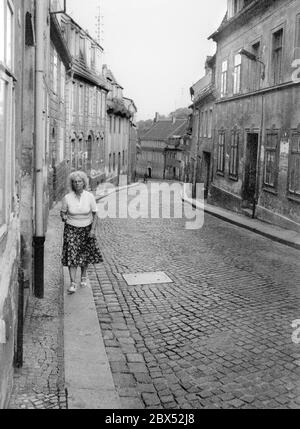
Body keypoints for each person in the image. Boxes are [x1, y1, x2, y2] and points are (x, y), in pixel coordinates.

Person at [60, 171, 103, 294]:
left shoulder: (89, 196)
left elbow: (95, 214)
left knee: (84, 255)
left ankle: (83, 275)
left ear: (84, 183)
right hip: (71, 229)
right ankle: (73, 283)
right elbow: (63, 212)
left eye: (79, 181)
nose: (77, 184)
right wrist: (63, 216)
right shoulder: (67, 198)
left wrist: (93, 230)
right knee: (71, 255)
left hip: (86, 229)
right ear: (72, 184)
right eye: (74, 182)